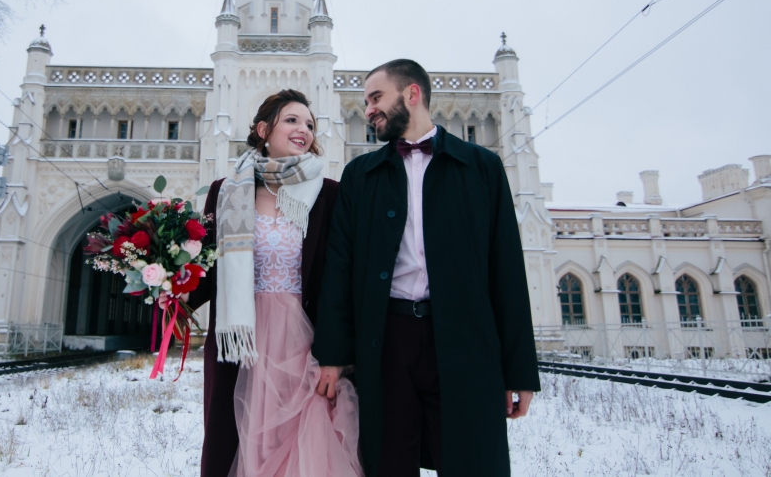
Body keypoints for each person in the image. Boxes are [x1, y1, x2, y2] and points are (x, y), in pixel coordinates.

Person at [312, 59, 541, 477]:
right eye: (367, 101)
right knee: (388, 462)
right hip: (386, 341)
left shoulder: (482, 168)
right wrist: (334, 354)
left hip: (463, 341)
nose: (368, 110)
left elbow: (506, 270)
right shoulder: (360, 175)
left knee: (471, 461)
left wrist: (519, 370)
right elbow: (339, 270)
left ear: (412, 94)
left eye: (376, 98)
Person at [165, 89, 362, 477]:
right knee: (240, 444)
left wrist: (338, 354)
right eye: (292, 120)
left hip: (304, 343)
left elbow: (341, 279)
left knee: (306, 448)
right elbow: (208, 268)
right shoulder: (226, 191)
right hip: (242, 343)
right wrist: (165, 283)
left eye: (309, 124)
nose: (303, 129)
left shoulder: (329, 194)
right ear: (262, 129)